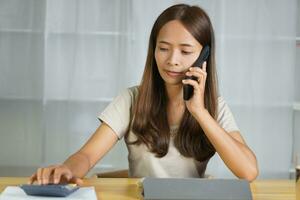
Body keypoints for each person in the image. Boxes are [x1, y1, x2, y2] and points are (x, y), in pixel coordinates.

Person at [29, 4, 258, 185]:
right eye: (163, 48)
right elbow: (87, 156)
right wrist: (66, 170)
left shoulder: (214, 107)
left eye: (186, 51)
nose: (172, 60)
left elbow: (248, 171)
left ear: (204, 56)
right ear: (153, 49)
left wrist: (199, 112)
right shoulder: (131, 100)